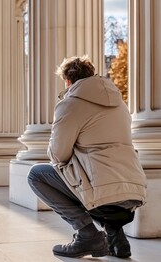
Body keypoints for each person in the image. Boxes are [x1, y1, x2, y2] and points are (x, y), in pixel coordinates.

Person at [27, 55, 147, 259]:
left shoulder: (70, 104)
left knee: (36, 175)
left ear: (67, 81)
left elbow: (58, 155)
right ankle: (116, 239)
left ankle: (87, 235)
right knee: (99, 177)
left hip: (102, 194)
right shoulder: (120, 103)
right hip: (134, 192)